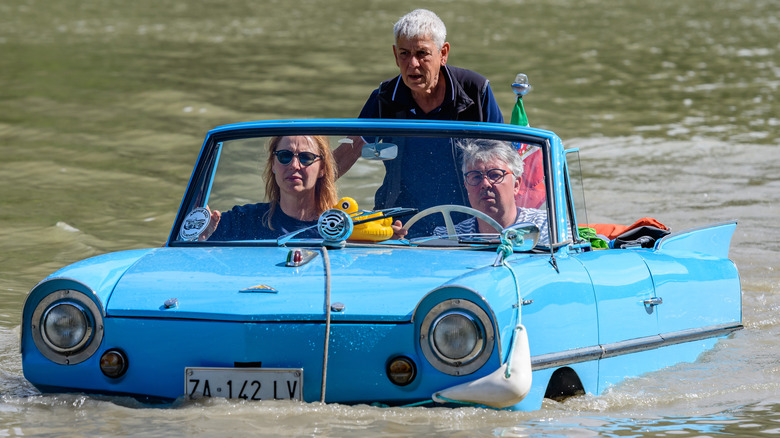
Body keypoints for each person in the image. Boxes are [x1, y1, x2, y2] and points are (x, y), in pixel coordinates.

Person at [334, 9, 504, 223]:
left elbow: (504, 162)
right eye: (404, 53)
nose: (412, 63)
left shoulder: (475, 91)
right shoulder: (385, 97)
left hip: (469, 221)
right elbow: (347, 152)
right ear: (396, 56)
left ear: (443, 54)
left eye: (422, 53)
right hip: (399, 223)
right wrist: (300, 189)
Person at [202, 135, 339, 241]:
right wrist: (201, 238)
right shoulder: (242, 223)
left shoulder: (341, 228)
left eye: (306, 157)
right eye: (285, 156)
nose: (294, 165)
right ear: (273, 164)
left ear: (322, 168)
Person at [433, 139, 549, 245]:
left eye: (495, 175)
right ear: (466, 186)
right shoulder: (448, 237)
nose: (485, 184)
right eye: (476, 177)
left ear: (516, 185)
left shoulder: (548, 228)